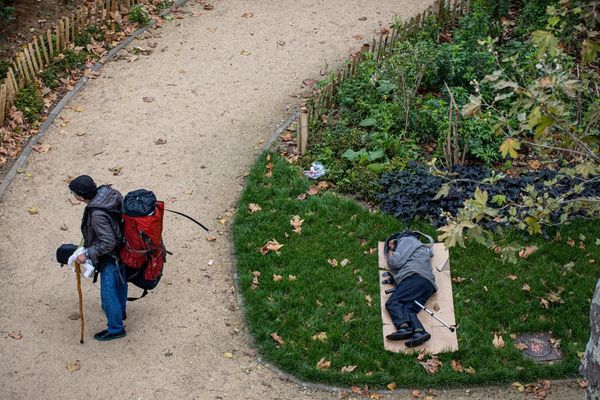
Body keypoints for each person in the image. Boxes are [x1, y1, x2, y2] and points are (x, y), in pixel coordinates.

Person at [69, 175, 127, 341]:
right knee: (121, 283)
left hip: (110, 257)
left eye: (73, 193)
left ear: (80, 196)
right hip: (124, 249)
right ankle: (121, 310)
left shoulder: (96, 215)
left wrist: (86, 253)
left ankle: (116, 329)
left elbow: (108, 243)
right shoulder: (107, 194)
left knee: (109, 294)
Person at [384, 232, 437, 347]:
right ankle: (420, 332)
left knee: (392, 303)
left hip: (415, 278)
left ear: (395, 239)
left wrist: (390, 254)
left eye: (391, 245)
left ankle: (403, 328)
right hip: (428, 285)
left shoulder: (407, 241)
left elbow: (395, 262)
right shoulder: (420, 249)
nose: (391, 247)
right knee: (409, 309)